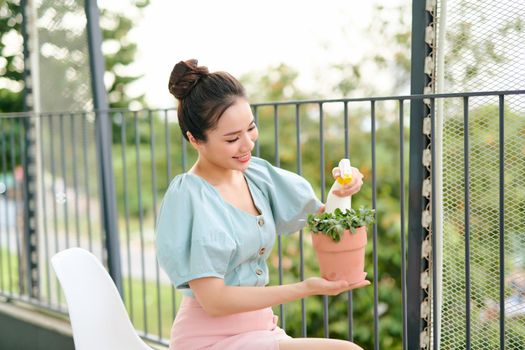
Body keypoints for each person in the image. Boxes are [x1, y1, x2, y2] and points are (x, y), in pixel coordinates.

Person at [156, 59, 370, 350]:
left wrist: (342, 190)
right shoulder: (190, 196)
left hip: (261, 330)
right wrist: (304, 289)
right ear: (195, 139)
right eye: (232, 138)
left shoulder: (256, 174)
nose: (248, 145)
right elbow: (214, 301)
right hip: (209, 340)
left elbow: (323, 218)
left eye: (251, 128)